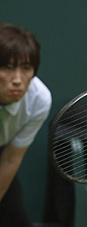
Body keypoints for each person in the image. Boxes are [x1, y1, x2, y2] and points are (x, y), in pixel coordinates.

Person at [0, 23, 52, 227]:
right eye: (7, 67)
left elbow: (10, 159)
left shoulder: (38, 100)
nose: (17, 80)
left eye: (26, 68)